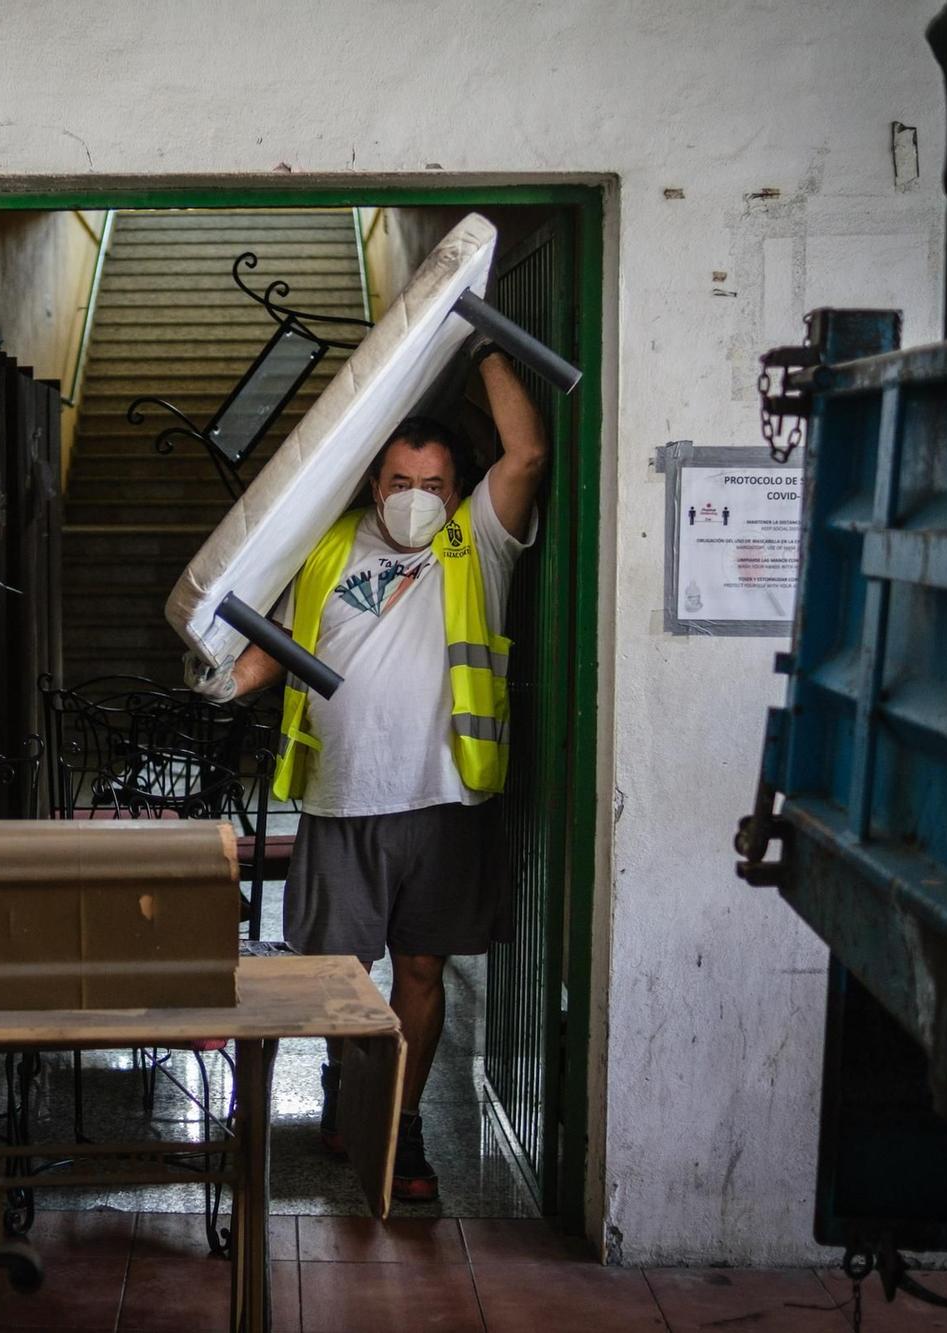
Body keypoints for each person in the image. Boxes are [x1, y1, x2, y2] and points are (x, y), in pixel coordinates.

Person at [185, 344, 546, 1202]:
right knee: (335, 979)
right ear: (371, 482)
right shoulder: (326, 548)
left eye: (433, 483)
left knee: (420, 971)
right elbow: (281, 653)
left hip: (446, 799)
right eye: (398, 480)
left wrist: (480, 340)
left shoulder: (477, 541)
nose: (414, 498)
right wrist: (222, 681)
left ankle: (404, 1124)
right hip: (342, 801)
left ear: (456, 492)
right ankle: (351, 1093)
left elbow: (526, 450)